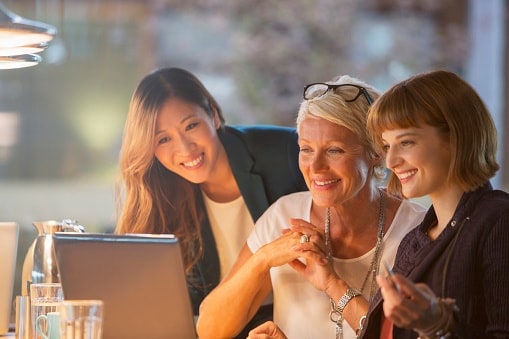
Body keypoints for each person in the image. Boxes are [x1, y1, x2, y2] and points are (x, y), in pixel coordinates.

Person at [196, 75, 427, 339]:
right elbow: (209, 330)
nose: (315, 167)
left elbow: (405, 336)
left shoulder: (418, 230)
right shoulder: (283, 216)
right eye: (306, 149)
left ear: (375, 152)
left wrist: (333, 284)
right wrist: (263, 259)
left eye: (334, 151)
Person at [114, 67, 308, 337]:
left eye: (191, 126)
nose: (184, 148)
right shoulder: (161, 198)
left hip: (295, 324)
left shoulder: (286, 152)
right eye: (163, 139)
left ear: (213, 115)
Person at [359, 69, 509, 338]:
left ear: (455, 138)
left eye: (406, 142)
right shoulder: (414, 240)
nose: (391, 161)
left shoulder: (499, 221)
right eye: (386, 145)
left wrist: (438, 327)